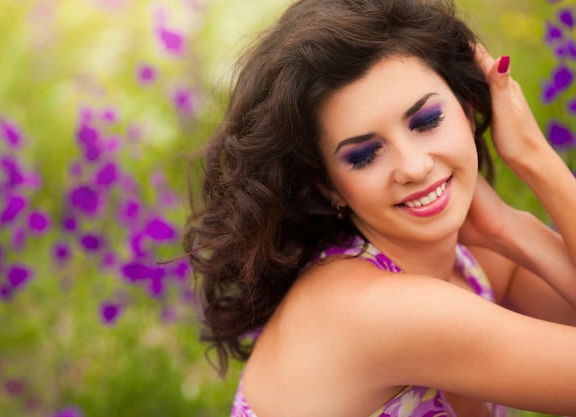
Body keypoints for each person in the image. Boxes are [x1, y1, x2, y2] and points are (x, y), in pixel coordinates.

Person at [183, 0, 576, 415]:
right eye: (365, 155)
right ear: (328, 184)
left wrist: (507, 228)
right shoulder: (375, 310)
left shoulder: (471, 260)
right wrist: (537, 159)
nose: (413, 166)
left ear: (467, 107)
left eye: (426, 122)